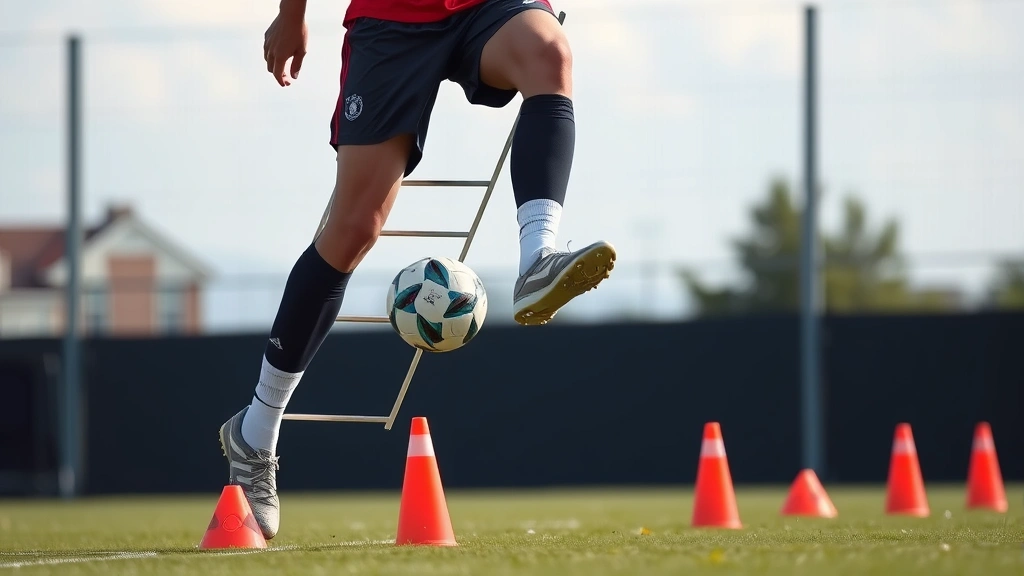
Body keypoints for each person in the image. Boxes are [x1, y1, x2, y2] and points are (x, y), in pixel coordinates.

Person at [218, 0, 616, 540]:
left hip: (487, 7)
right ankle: (256, 428)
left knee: (548, 49)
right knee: (354, 228)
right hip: (392, 18)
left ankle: (537, 261)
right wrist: (292, 14)